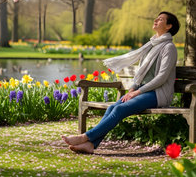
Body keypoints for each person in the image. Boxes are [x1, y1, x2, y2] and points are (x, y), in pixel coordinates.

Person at [62, 11, 180, 154]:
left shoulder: (169, 47)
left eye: (160, 19)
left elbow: (161, 77)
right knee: (112, 108)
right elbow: (141, 74)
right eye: (157, 18)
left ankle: (85, 137)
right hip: (142, 90)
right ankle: (91, 145)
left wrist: (137, 92)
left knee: (119, 109)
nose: (155, 20)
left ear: (169, 26)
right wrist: (133, 89)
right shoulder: (151, 45)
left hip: (157, 93)